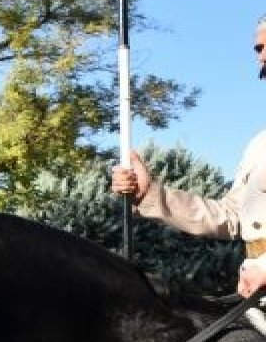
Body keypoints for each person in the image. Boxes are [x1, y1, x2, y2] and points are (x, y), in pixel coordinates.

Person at [112, 17, 266, 300]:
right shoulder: (259, 144)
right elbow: (231, 217)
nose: (260, 53)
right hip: (254, 293)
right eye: (258, 48)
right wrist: (150, 194)